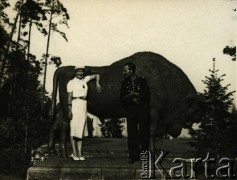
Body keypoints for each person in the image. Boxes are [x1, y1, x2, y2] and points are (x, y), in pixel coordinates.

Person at [67, 66, 101, 161]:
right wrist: (69, 110)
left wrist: (97, 83)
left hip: (83, 104)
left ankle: (80, 153)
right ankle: (74, 153)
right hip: (75, 104)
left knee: (81, 129)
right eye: (78, 71)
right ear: (75, 72)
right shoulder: (71, 82)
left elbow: (97, 75)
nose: (80, 73)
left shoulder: (84, 80)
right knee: (74, 129)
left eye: (82, 71)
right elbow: (69, 97)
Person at [120, 62, 151, 164]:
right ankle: (133, 156)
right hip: (131, 111)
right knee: (132, 134)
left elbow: (147, 96)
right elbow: (121, 99)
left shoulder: (142, 80)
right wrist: (130, 98)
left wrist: (137, 94)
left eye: (125, 70)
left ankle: (144, 156)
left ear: (131, 70)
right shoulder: (124, 83)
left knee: (144, 134)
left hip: (143, 110)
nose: (124, 72)